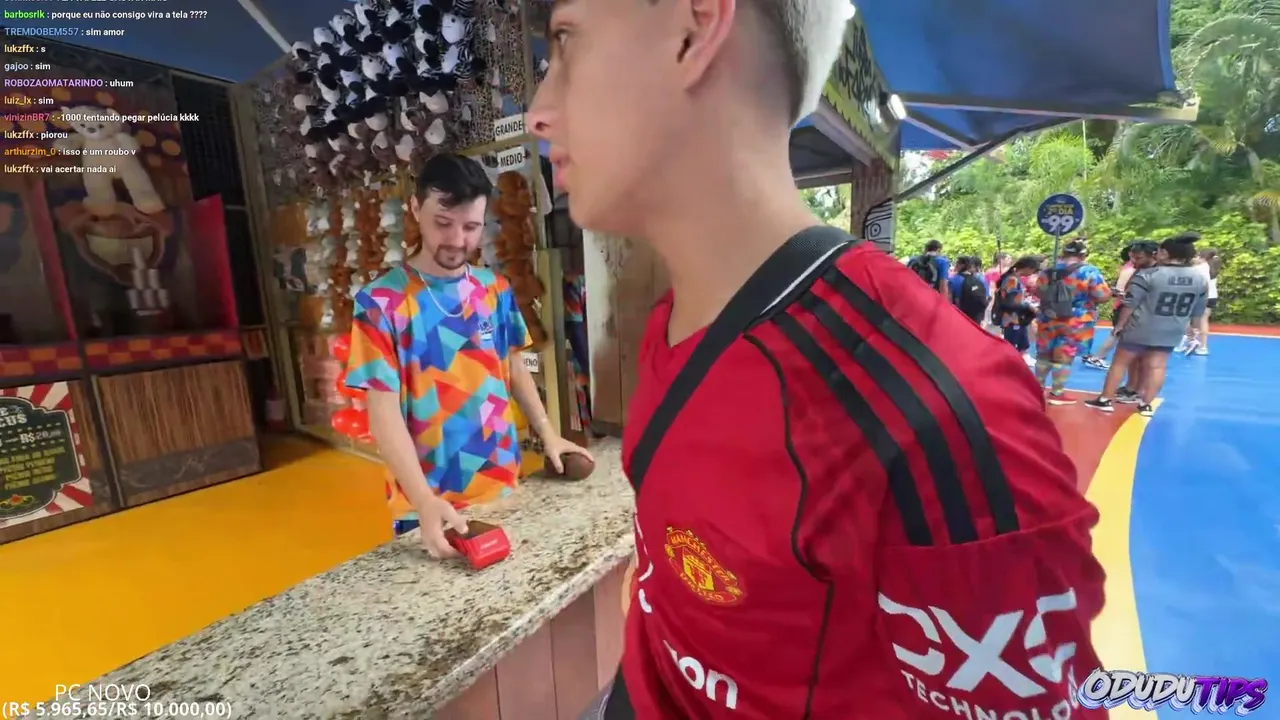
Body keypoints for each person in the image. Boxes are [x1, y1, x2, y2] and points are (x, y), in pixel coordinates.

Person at [529, 1, 1105, 717]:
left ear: (693, 30)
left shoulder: (930, 411)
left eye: (565, 40)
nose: (538, 112)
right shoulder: (671, 322)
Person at [346, 153, 591, 559]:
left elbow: (512, 366)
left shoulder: (495, 289)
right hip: (429, 506)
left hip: (503, 485)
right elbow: (382, 413)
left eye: (471, 227)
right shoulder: (380, 303)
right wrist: (423, 500)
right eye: (443, 223)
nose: (458, 240)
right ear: (415, 209)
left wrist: (548, 432)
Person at [1086, 234, 1208, 417]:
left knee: (1120, 363)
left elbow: (1130, 303)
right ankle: (1145, 404)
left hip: (1140, 326)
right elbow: (1198, 310)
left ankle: (1105, 399)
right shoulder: (1199, 279)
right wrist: (1193, 329)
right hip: (1173, 328)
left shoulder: (1149, 275)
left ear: (1165, 252)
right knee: (1158, 366)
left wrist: (1120, 325)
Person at [1033, 238, 1110, 405]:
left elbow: (1038, 292)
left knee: (1044, 355)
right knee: (1064, 355)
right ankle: (1057, 393)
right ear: (1083, 255)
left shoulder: (1048, 271)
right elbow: (1102, 295)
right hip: (1075, 320)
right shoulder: (1089, 272)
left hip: (1048, 317)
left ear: (1063, 253)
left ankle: (1037, 389)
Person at [1092, 241, 1159, 397]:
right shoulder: (1139, 271)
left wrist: (1121, 323)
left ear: (1153, 255)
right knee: (1135, 358)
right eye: (1132, 258)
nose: (1134, 261)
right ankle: (1131, 386)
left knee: (1140, 358)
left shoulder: (1153, 274)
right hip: (1133, 315)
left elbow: (1132, 301)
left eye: (1138, 258)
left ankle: (1137, 389)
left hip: (1142, 318)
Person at [994, 255, 1042, 363]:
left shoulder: (1015, 279)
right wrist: (1028, 306)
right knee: (1012, 345)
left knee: (1022, 343)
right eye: (1033, 270)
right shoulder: (1012, 280)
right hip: (1011, 318)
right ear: (1027, 267)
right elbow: (1011, 302)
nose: (1032, 273)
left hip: (1017, 318)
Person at [1178, 248, 1221, 356]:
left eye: (1197, 256)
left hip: (1200, 296)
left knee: (1185, 318)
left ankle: (1190, 340)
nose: (1195, 258)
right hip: (1212, 296)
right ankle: (1202, 347)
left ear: (1203, 257)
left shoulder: (1200, 268)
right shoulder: (1213, 266)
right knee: (1203, 321)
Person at [948, 255, 990, 325]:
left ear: (962, 265)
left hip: (960, 315)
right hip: (976, 316)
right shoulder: (979, 279)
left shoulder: (954, 280)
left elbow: (950, 299)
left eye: (957, 263)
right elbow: (986, 297)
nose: (955, 265)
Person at [985, 252, 1012, 327]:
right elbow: (991, 287)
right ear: (1001, 260)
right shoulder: (993, 271)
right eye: (1008, 258)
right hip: (994, 297)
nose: (1010, 260)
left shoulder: (1006, 271)